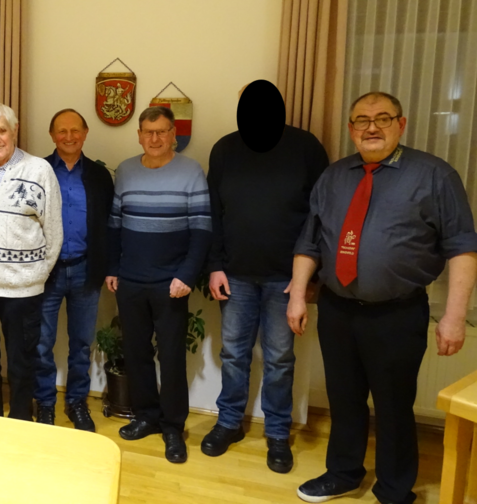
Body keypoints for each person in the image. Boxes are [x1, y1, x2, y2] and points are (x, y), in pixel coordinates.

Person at [288, 92, 477, 503]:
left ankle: (394, 488)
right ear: (351, 128)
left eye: (383, 118)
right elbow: (310, 241)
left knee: (393, 406)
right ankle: (343, 473)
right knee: (344, 398)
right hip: (337, 309)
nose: (371, 127)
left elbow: (462, 247)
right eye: (362, 120)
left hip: (397, 314)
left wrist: (454, 316)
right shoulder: (334, 176)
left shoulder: (434, 175)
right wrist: (297, 295)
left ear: (401, 124)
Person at [202, 81, 329, 473]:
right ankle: (229, 423)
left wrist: (310, 276)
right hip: (235, 275)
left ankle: (277, 433)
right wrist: (214, 265)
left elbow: (322, 216)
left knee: (279, 359)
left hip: (286, 279)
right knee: (233, 355)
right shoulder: (224, 150)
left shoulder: (306, 148)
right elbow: (213, 213)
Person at [105, 106, 211, 464]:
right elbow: (115, 225)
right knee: (136, 354)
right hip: (130, 280)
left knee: (171, 357)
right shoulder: (125, 170)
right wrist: (113, 268)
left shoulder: (191, 171)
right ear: (139, 135)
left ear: (173, 135)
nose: (155, 138)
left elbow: (202, 229)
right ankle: (146, 416)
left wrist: (187, 275)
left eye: (162, 131)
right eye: (148, 132)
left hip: (171, 284)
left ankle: (172, 427)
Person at [0, 102, 63, 420]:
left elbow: (54, 231)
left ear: (14, 130)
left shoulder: (39, 170)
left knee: (21, 362)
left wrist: (35, 275)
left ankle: (20, 420)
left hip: (22, 289)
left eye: (2, 130)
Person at [35, 109, 114, 431]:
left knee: (81, 343)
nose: (69, 137)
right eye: (62, 131)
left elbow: (109, 225)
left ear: (85, 132)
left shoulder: (99, 175)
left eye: (75, 130)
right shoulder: (37, 171)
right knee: (41, 344)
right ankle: (45, 403)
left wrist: (109, 267)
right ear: (52, 135)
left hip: (85, 270)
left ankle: (77, 402)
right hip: (46, 273)